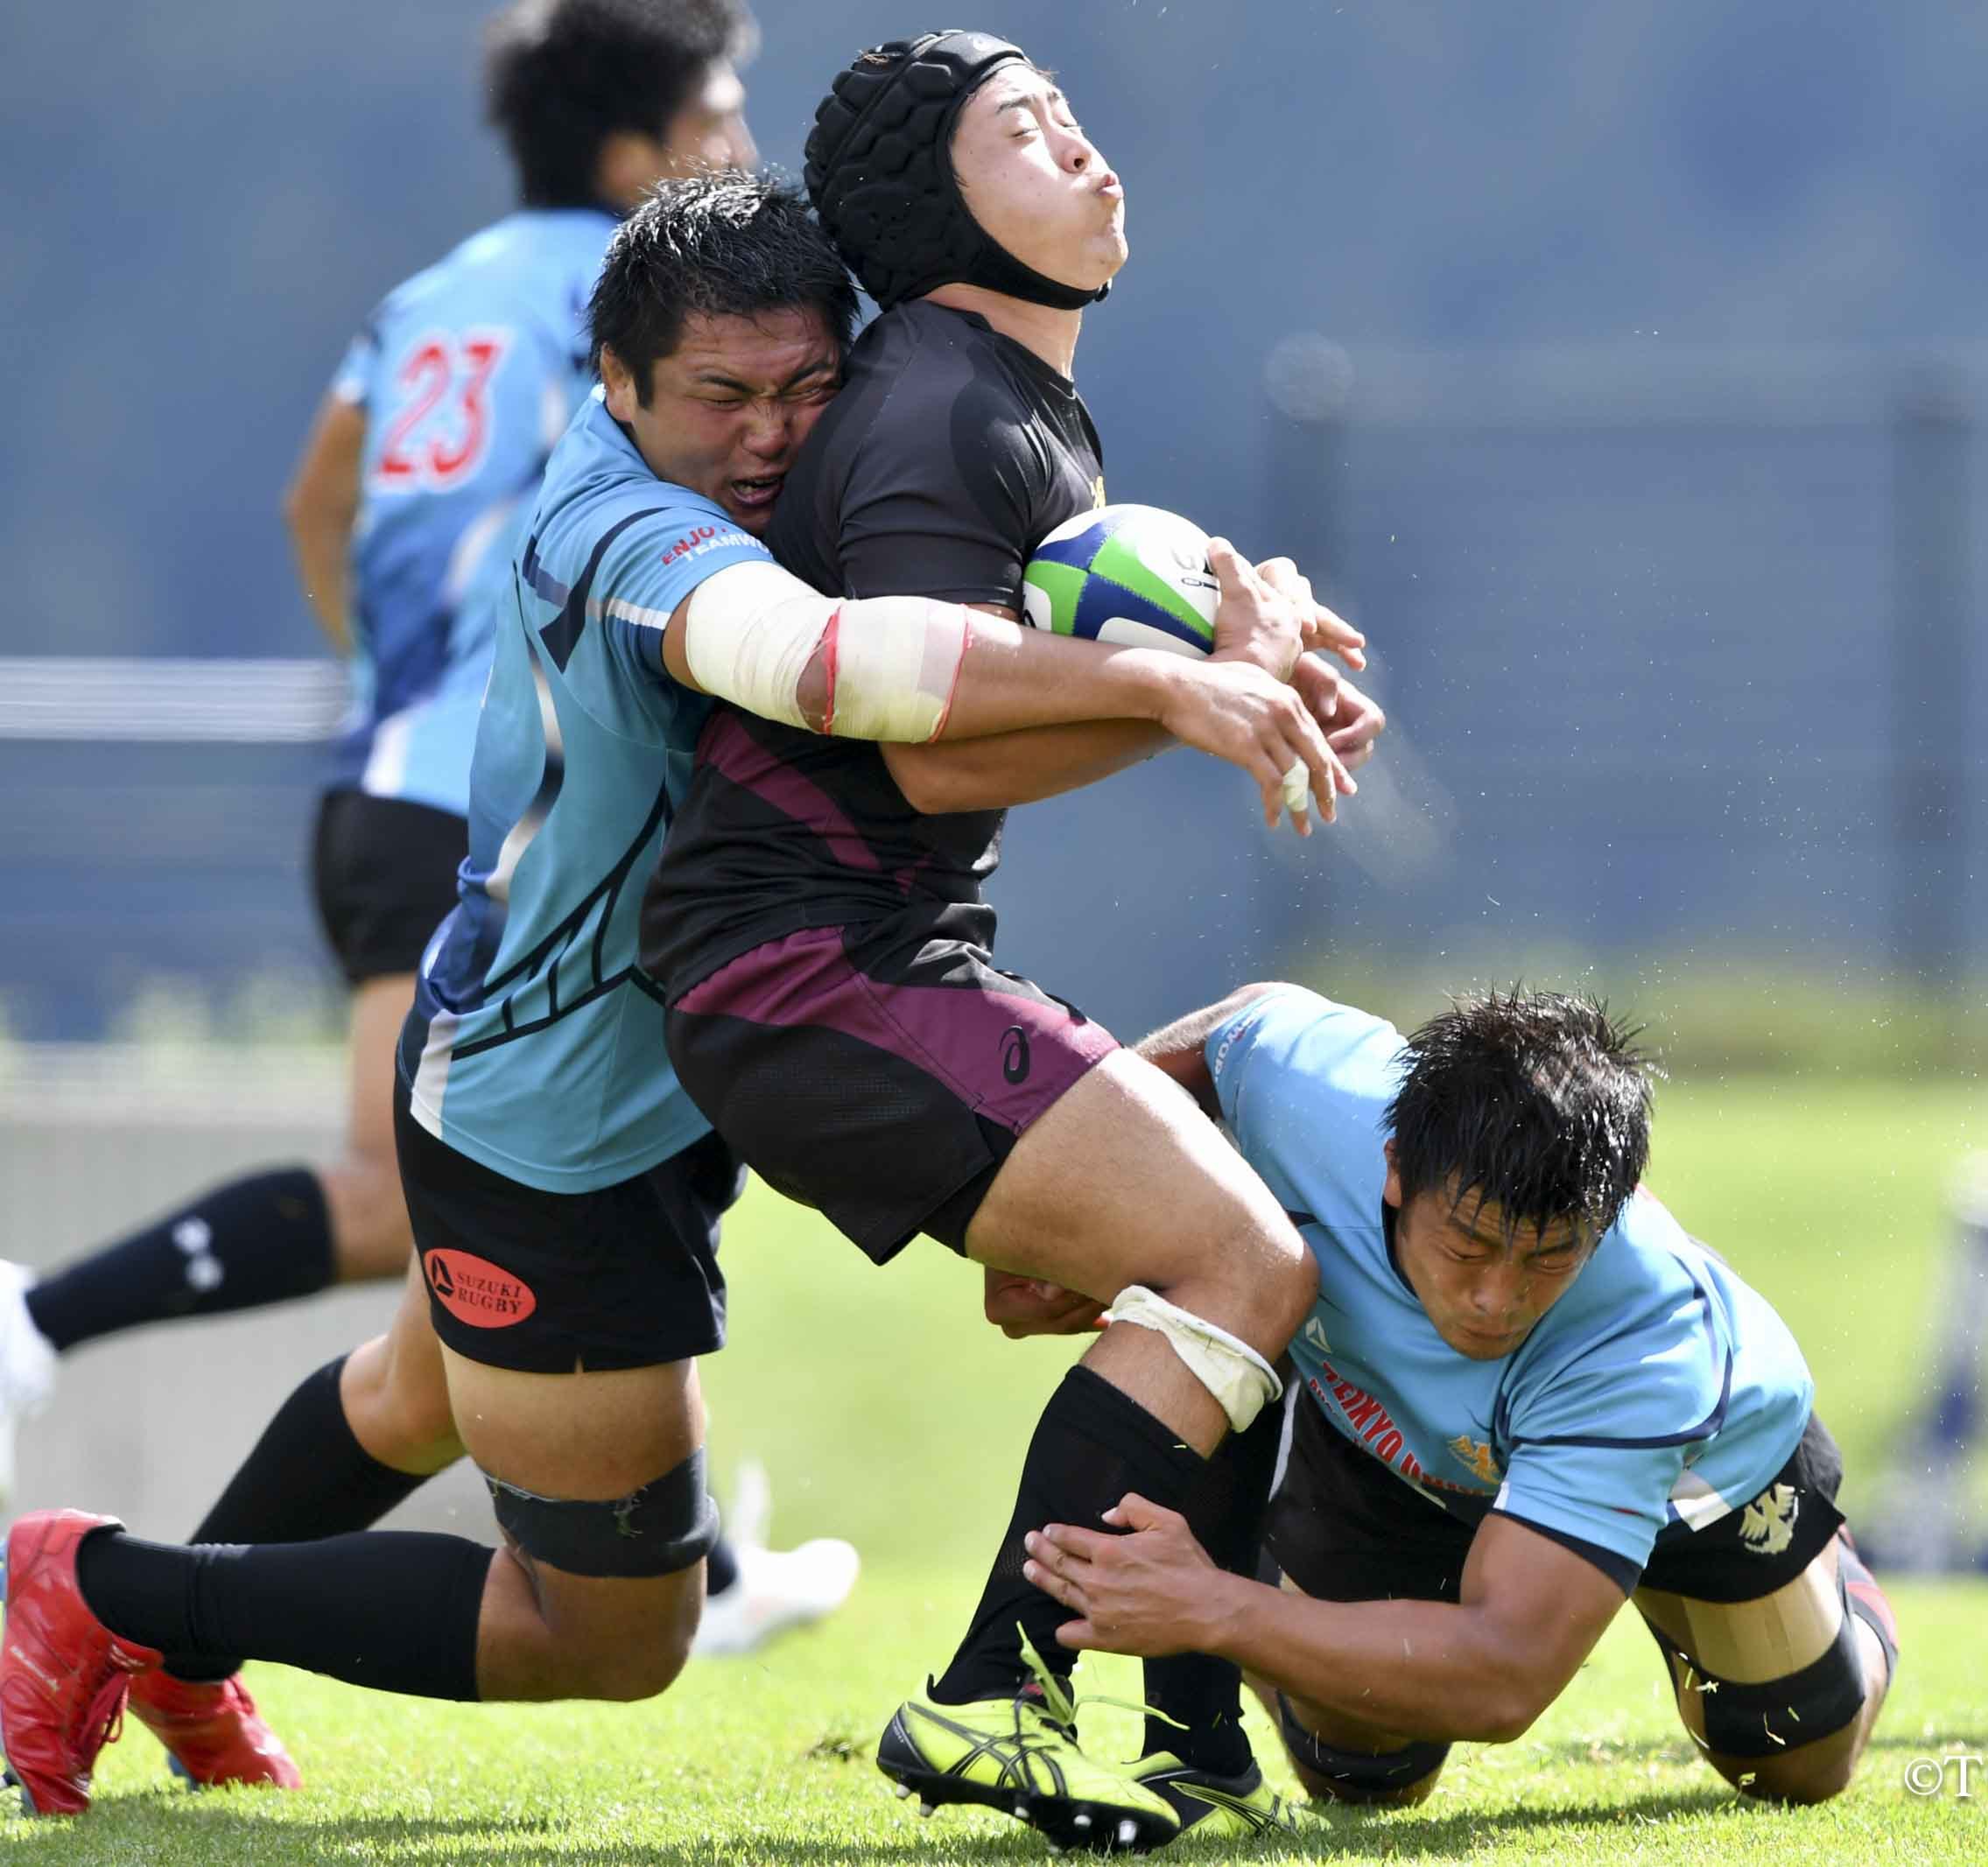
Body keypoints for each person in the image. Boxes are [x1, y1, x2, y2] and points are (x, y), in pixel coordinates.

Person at [0, 171, 1343, 1821]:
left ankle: (168, 1656)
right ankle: (99, 1586)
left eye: (805, 388)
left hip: (611, 1076)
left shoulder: (750, 471)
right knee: (610, 1629)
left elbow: (1015, 575)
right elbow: (837, 670)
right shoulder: (625, 531)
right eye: (720, 396)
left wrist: (1216, 594)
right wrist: (1163, 678)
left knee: (414, 1390)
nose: (770, 434)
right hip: (551, 1119)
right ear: (616, 384)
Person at [0, 0, 848, 1678]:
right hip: (496, 808)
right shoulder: (647, 307)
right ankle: (42, 1345)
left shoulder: (432, 290)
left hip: (393, 774)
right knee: (442, 1192)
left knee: (429, 1338)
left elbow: (324, 495)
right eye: (721, 112)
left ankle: (175, 1635)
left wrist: (388, 669)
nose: (741, 143)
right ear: (637, 154)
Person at [635, 32, 1384, 1849]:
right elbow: (925, 732)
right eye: (1031, 134)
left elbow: (1051, 676)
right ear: (935, 201)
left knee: (1199, 1259)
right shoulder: (937, 409)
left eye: (1075, 118)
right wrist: (1194, 699)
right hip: (808, 967)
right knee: (1245, 1264)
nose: (1089, 155)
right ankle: (991, 1698)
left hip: (877, 953)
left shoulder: (1003, 400)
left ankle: (1189, 1738)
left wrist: (1237, 676)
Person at [1017, 983, 1898, 1807]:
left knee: (1788, 1762)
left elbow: (1506, 1674)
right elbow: (1244, 1023)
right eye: (1467, 1247)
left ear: (1613, 1206)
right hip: (1392, 1443)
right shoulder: (1311, 1096)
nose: (1495, 1299)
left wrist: (1217, 1609)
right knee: (1359, 1773)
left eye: (1549, 1255)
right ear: (1394, 1167)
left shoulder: (1644, 1347)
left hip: (1693, 1475)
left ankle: (1841, 1591)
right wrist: (1049, 1196)